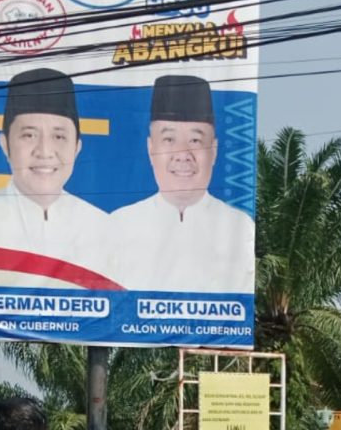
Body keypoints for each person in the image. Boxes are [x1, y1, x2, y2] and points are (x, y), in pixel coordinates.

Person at [0, 67, 117, 293]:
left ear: (77, 147)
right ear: (5, 144)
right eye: (29, 135)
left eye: (59, 136)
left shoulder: (105, 229)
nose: (45, 151)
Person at [103, 73, 254, 295]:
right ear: (150, 148)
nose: (183, 154)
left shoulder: (238, 226)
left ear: (213, 150)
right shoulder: (117, 225)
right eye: (169, 140)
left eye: (195, 140)